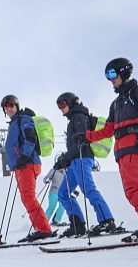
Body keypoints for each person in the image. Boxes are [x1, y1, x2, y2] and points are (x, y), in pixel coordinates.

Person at [87, 56, 138, 238]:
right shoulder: (116, 104)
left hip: (136, 147)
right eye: (107, 76)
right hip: (122, 151)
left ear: (123, 72)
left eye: (111, 74)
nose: (110, 79)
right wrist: (87, 137)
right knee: (131, 191)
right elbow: (109, 129)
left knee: (133, 189)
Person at [51, 92, 121, 237]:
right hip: (74, 161)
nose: (61, 108)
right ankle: (78, 224)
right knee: (63, 193)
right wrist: (65, 160)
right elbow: (74, 145)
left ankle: (107, 220)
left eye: (63, 104)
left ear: (71, 103)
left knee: (88, 189)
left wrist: (66, 158)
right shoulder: (73, 119)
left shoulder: (79, 117)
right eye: (59, 106)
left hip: (82, 158)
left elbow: (81, 141)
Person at [0, 95, 55, 242]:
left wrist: (24, 155)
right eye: (6, 106)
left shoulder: (23, 119)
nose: (9, 108)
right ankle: (40, 228)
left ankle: (43, 229)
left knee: (28, 197)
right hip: (21, 165)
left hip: (28, 163)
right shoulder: (13, 123)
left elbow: (31, 137)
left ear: (17, 106)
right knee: (26, 197)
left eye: (11, 105)